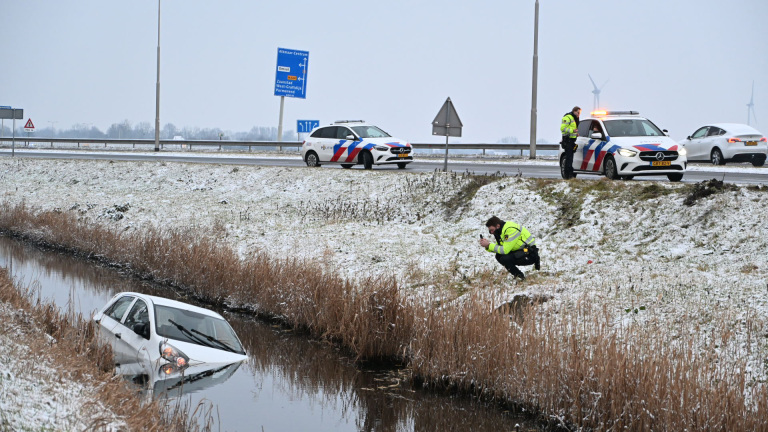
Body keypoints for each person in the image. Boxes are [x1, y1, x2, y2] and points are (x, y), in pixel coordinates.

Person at [479, 216, 540, 280]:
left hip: (530, 253)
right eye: (489, 231)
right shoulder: (501, 231)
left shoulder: (510, 230)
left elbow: (505, 250)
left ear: (498, 226)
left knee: (505, 259)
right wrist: (487, 246)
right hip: (521, 250)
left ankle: (520, 276)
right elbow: (499, 248)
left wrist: (489, 245)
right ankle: (518, 275)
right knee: (499, 256)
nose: (491, 233)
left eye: (492, 230)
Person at [560, 106, 581, 179]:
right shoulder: (568, 117)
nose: (579, 114)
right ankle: (568, 175)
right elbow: (562, 128)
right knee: (569, 158)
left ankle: (569, 174)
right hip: (567, 140)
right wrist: (572, 131)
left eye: (579, 113)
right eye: (578, 112)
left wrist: (576, 134)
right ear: (574, 111)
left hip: (572, 140)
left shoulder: (574, 118)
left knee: (570, 158)